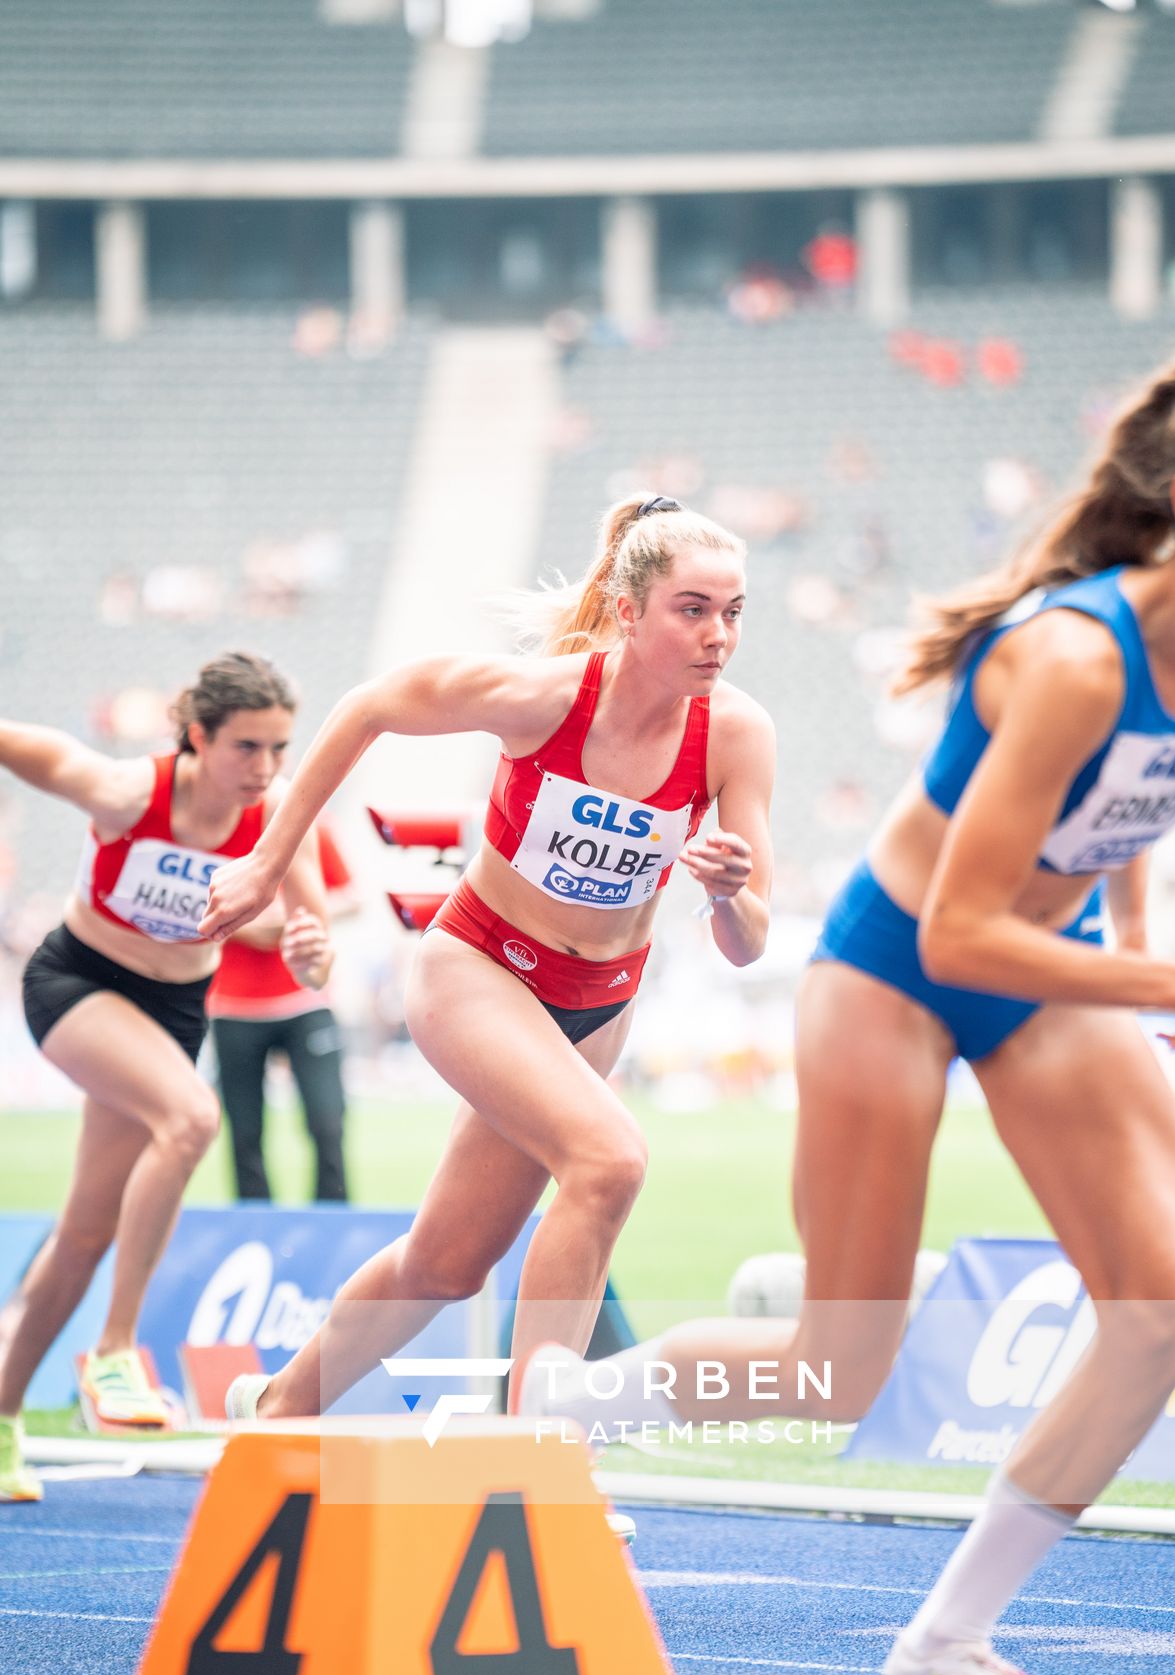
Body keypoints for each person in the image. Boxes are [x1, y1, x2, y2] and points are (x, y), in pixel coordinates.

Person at [522, 340, 1175, 1675]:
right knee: (836, 1366)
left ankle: (945, 1647)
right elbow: (956, 935)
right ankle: (559, 1406)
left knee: (1168, 1315)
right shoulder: (1067, 658)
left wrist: (1138, 931)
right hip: (898, 971)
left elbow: (1135, 795)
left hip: (1041, 974)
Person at [199, 495, 774, 1453]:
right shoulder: (544, 697)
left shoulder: (737, 735)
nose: (719, 635)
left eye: (735, 611)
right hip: (481, 969)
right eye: (693, 609)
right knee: (609, 1160)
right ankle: (537, 1452)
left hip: (600, 1003)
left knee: (449, 1260)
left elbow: (748, 943)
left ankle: (278, 1407)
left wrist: (726, 893)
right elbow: (372, 704)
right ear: (629, 612)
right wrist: (267, 863)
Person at [0, 652, 331, 1499]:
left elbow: (311, 932)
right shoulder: (126, 793)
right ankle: (115, 1351)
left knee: (81, 1235)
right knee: (192, 1121)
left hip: (174, 1011)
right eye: (246, 749)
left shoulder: (276, 811)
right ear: (197, 737)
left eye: (278, 749)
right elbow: (26, 747)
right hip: (79, 983)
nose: (264, 770)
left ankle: (2, 1420)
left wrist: (309, 943)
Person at [208, 817, 355, 1203]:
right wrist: (244, 922)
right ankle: (255, 1222)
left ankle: (334, 1217)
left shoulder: (308, 827)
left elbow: (352, 895)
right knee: (244, 1131)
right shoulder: (209, 828)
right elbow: (191, 905)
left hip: (306, 1000)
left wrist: (298, 915)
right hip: (233, 1006)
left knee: (328, 1121)